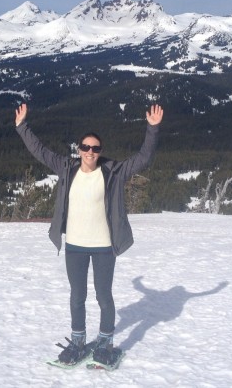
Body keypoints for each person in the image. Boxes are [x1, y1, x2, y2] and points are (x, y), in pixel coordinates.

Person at [14, 102, 163, 366]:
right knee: (77, 296)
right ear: (79, 149)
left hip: (104, 246)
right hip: (75, 246)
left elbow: (143, 158)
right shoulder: (67, 168)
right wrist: (22, 127)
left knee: (103, 296)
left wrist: (152, 129)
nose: (90, 152)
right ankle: (79, 341)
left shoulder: (113, 172)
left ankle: (105, 344)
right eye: (85, 147)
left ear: (100, 151)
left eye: (95, 148)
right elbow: (40, 151)